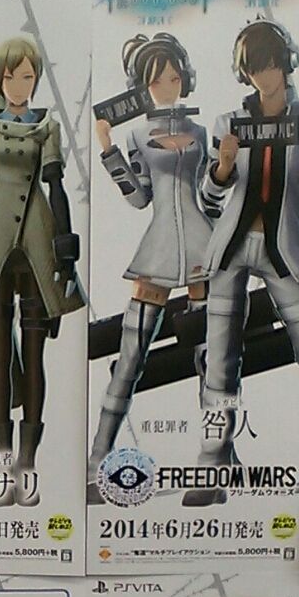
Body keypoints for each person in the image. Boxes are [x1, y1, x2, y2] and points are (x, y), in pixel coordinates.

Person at [192, 19, 299, 507]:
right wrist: (224, 166)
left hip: (284, 252)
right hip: (229, 249)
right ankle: (212, 462)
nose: (263, 76)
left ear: (285, 61)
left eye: (269, 64)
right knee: (219, 363)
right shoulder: (229, 122)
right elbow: (209, 200)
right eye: (252, 68)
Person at [0, 36, 84, 507]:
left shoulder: (47, 126)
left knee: (34, 353)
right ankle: (3, 464)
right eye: (11, 76)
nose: (19, 84)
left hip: (37, 241)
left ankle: (28, 464)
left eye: (27, 76)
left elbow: (56, 186)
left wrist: (65, 253)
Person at [88, 33, 212, 503]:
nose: (167, 87)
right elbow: (139, 198)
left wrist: (224, 168)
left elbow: (211, 196)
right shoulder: (137, 135)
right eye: (157, 80)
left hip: (203, 249)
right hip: (159, 248)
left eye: (174, 77)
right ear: (142, 87)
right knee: (131, 354)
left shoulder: (202, 131)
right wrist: (108, 151)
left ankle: (219, 454)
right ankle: (97, 458)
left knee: (212, 360)